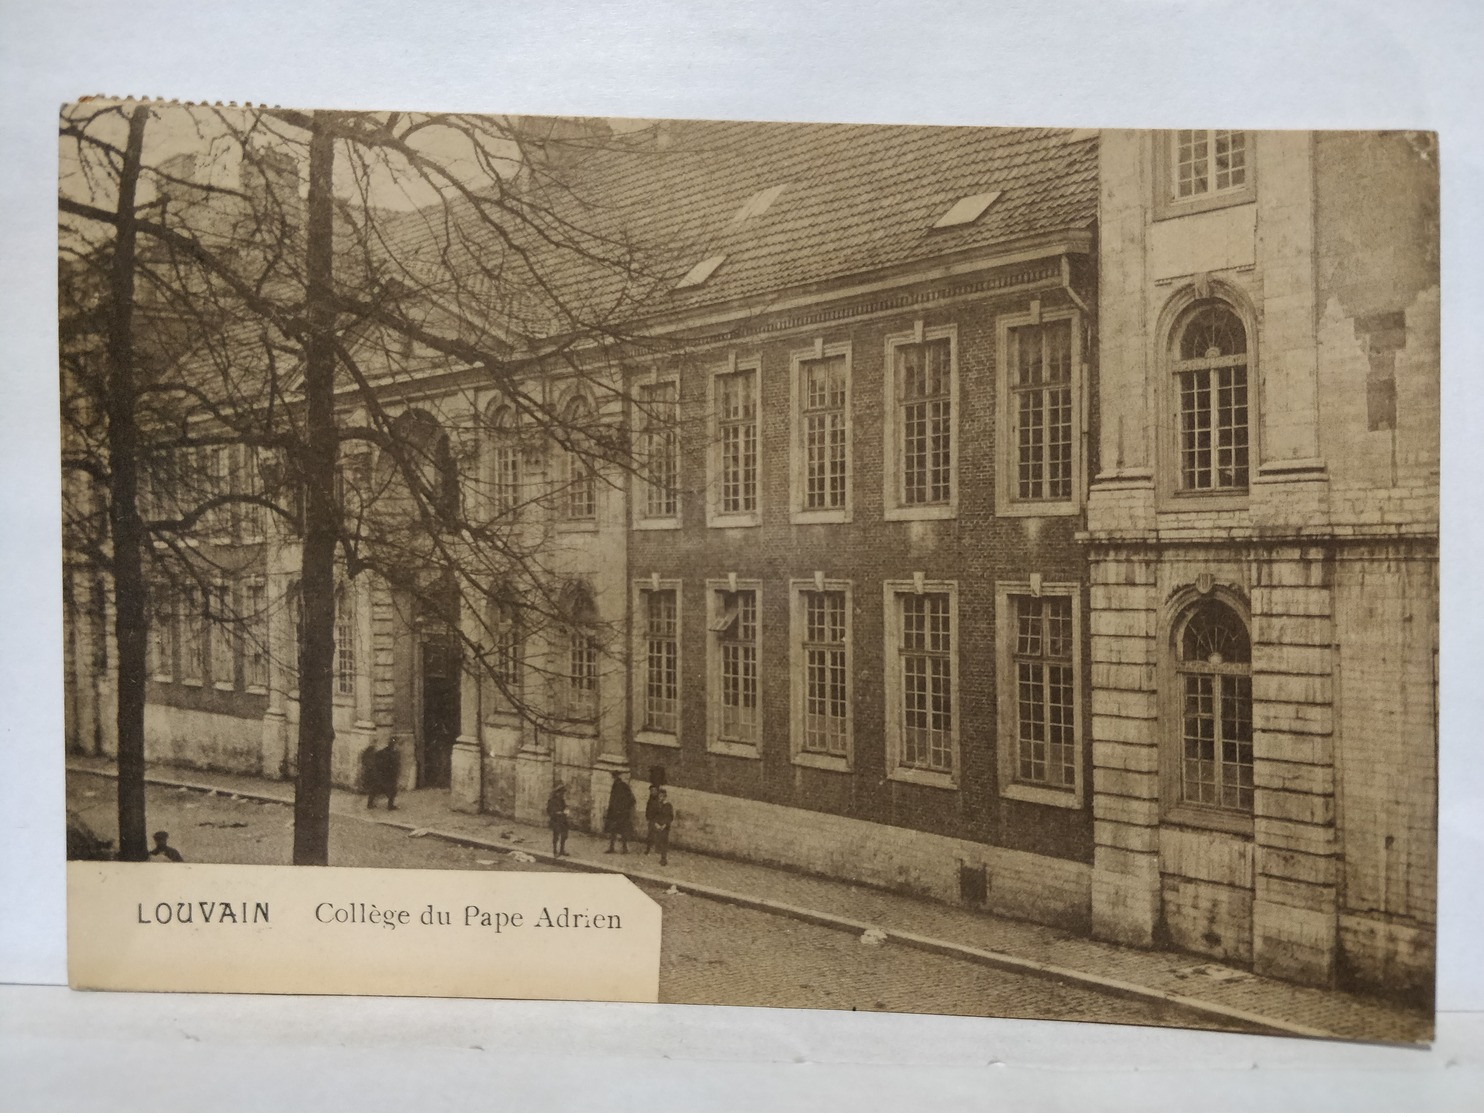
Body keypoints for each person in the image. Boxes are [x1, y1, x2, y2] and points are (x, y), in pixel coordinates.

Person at [362, 740, 401, 810]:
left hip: (377, 775)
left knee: (374, 789)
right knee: (392, 791)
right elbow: (392, 766)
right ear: (393, 746)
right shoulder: (392, 754)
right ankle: (390, 806)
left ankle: (369, 804)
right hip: (386, 776)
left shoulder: (380, 752)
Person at [603, 770, 635, 854]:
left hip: (621, 813)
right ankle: (612, 848)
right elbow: (612, 800)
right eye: (613, 776)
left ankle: (624, 849)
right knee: (613, 830)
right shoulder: (615, 785)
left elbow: (631, 800)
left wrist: (623, 809)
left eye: (614, 776)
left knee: (623, 830)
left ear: (617, 777)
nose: (613, 778)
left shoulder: (623, 786)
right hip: (614, 812)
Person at [649, 789, 674, 867]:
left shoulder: (668, 805)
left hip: (665, 827)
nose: (660, 798)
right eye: (659, 796)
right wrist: (656, 824)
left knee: (664, 842)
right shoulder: (656, 805)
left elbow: (670, 816)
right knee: (657, 840)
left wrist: (664, 825)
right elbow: (653, 815)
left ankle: (663, 859)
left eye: (662, 796)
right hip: (657, 825)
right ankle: (658, 853)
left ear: (665, 797)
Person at [545, 783, 569, 858]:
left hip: (563, 820)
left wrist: (566, 811)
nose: (562, 794)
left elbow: (565, 808)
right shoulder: (552, 801)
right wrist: (556, 813)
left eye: (563, 793)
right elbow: (549, 811)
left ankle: (562, 850)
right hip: (555, 821)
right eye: (561, 793)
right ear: (557, 793)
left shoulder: (562, 800)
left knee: (564, 835)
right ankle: (555, 850)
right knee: (556, 836)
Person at [643, 782, 663, 855]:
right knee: (650, 835)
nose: (652, 792)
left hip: (657, 820)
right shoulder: (650, 799)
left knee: (658, 834)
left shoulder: (659, 800)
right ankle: (648, 849)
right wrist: (647, 816)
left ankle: (658, 849)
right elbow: (648, 808)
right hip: (651, 819)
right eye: (651, 791)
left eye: (654, 790)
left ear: (657, 791)